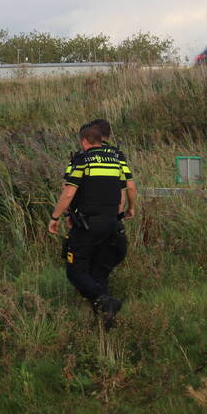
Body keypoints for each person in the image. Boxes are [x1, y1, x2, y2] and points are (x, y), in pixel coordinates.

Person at [48, 122, 136, 328]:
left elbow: (68, 191)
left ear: (84, 141)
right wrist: (129, 209)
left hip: (88, 225)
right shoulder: (117, 159)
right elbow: (128, 188)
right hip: (114, 226)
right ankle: (106, 322)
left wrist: (56, 217)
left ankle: (106, 302)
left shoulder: (81, 159)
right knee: (99, 273)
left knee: (76, 271)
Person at [89, 118, 135, 290]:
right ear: (108, 134)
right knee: (105, 262)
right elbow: (129, 186)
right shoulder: (117, 155)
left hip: (89, 219)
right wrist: (130, 208)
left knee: (88, 264)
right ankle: (102, 297)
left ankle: (98, 299)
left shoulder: (85, 154)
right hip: (113, 219)